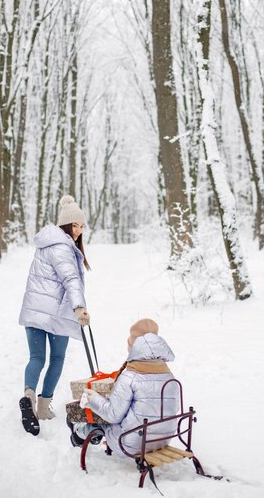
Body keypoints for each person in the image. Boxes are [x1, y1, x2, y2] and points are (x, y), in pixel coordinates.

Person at [19, 195, 91, 436]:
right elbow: (70, 279)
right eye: (76, 225)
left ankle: (28, 396)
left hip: (34, 310)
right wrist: (79, 307)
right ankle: (42, 405)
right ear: (65, 225)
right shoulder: (63, 247)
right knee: (57, 359)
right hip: (56, 314)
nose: (79, 230)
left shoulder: (45, 244)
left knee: (36, 357)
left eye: (82, 225)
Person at [67, 318, 180, 457]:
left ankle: (78, 433)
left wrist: (93, 399)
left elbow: (113, 415)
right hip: (162, 439)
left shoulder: (130, 377)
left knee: (101, 419)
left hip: (131, 443)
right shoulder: (169, 376)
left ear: (135, 347)